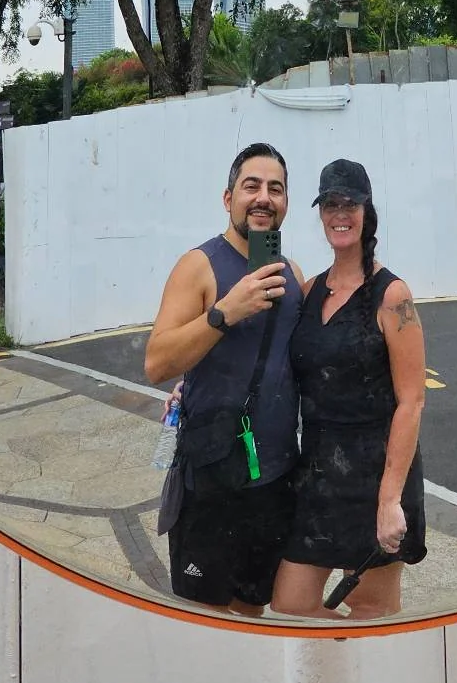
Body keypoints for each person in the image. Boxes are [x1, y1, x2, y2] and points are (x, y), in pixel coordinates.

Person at [145, 142, 305, 615]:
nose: (263, 198)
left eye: (275, 189)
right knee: (203, 619)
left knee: (253, 613)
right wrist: (223, 313)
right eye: (251, 186)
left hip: (274, 478)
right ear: (227, 197)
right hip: (212, 479)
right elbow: (156, 362)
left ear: (286, 203)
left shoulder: (291, 272)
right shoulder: (198, 264)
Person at [272, 158, 426, 621]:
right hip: (317, 474)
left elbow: (412, 400)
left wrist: (389, 500)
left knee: (371, 610)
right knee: (291, 604)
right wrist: (191, 384)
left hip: (376, 476)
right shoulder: (309, 289)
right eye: (331, 204)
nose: (340, 214)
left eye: (350, 204)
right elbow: (269, 361)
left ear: (366, 210)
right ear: (320, 213)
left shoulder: (392, 295)